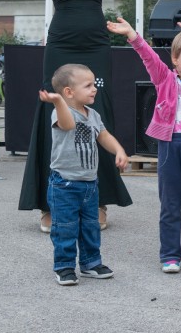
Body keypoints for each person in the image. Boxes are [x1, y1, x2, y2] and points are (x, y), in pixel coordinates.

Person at [18, 0, 181, 233]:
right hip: (62, 44)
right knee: (55, 114)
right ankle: (50, 203)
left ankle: (97, 200)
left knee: (96, 114)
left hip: (95, 46)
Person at [107, 16, 181, 275]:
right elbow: (149, 57)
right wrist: (133, 36)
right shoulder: (165, 78)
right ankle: (170, 256)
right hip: (170, 146)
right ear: (175, 59)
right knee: (170, 206)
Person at [38, 63, 129, 285]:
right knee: (65, 228)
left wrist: (119, 150)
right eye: (88, 85)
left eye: (94, 84)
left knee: (90, 226)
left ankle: (90, 263)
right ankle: (64, 266)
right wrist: (58, 102)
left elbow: (104, 135)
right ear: (69, 92)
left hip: (89, 184)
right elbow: (68, 125)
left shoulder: (93, 115)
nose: (94, 88)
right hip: (64, 185)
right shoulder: (60, 112)